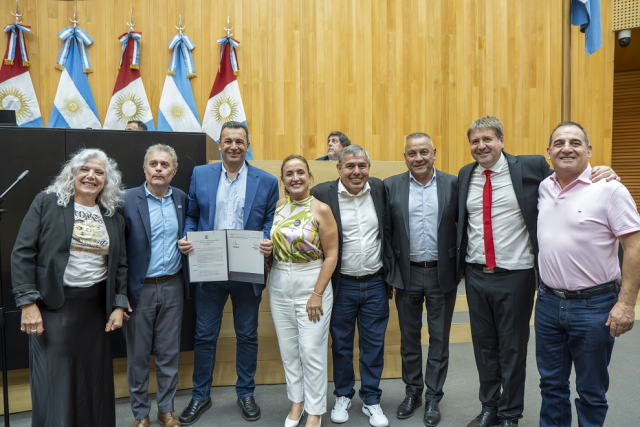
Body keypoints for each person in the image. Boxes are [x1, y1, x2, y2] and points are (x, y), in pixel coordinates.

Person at [456, 116, 617, 427]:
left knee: (512, 348)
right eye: (475, 141)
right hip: (476, 274)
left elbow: (570, 177)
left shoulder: (529, 167)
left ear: (501, 140)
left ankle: (509, 413)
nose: (481, 146)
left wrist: (604, 171)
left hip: (515, 274)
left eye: (488, 139)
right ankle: (489, 406)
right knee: (484, 346)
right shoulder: (466, 174)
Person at [11, 148, 128, 427]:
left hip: (95, 311)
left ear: (107, 180)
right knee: (57, 382)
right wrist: (27, 304)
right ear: (72, 173)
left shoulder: (112, 215)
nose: (91, 176)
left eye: (99, 172)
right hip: (54, 308)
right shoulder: (47, 203)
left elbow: (121, 264)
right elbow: (23, 253)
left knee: (93, 382)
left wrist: (119, 304)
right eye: (84, 169)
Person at [535, 121, 640, 426]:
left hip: (594, 307)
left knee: (591, 390)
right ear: (548, 152)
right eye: (559, 143)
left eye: (575, 142)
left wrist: (626, 304)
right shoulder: (544, 187)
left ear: (589, 150)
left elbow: (633, 247)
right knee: (551, 385)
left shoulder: (610, 189)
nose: (566, 148)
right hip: (548, 303)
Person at [177, 121, 279, 425]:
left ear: (248, 146)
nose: (234, 146)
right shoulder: (201, 174)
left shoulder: (267, 180)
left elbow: (270, 219)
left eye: (240, 141)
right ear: (220, 145)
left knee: (247, 334)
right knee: (205, 335)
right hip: (209, 268)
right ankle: (200, 395)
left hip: (247, 270)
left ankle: (245, 392)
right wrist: (187, 237)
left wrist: (267, 240)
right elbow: (192, 215)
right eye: (228, 141)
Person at [312, 145, 393, 427]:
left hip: (375, 283)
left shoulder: (380, 189)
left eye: (362, 166)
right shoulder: (322, 193)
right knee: (341, 344)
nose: (356, 172)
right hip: (341, 285)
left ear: (369, 168)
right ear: (339, 168)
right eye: (350, 166)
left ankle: (371, 399)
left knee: (374, 345)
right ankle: (343, 395)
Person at [383, 133, 458, 427]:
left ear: (434, 152)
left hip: (442, 273)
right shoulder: (391, 186)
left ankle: (433, 397)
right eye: (412, 153)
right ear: (405, 157)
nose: (418, 158)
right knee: (409, 338)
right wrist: (391, 272)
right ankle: (413, 392)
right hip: (407, 274)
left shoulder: (453, 183)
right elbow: (386, 233)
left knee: (439, 339)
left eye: (423, 152)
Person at [264, 155, 339, 427]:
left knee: (311, 350)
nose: (295, 178)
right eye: (289, 173)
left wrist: (317, 293)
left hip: (312, 280)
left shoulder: (321, 209)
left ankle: (315, 410)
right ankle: (297, 402)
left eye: (300, 172)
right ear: (282, 179)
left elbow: (332, 255)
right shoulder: (277, 207)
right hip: (279, 281)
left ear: (309, 176)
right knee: (289, 349)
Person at [122, 144, 189, 427]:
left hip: (173, 285)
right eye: (153, 164)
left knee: (168, 353)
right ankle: (140, 414)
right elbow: (117, 253)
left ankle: (166, 410)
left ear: (174, 171)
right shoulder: (126, 200)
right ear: (144, 169)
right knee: (138, 355)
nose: (159, 169)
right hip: (139, 291)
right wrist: (120, 294)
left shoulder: (182, 199)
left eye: (165, 165)